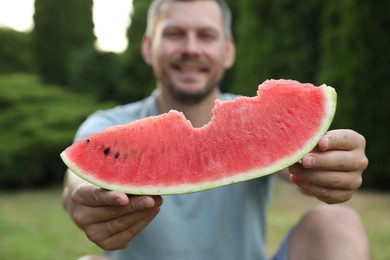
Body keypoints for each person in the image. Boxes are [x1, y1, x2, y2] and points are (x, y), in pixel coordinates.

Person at [62, 0, 371, 259]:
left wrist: (331, 161)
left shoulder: (255, 122)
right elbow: (75, 182)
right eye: (174, 34)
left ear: (229, 51)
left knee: (338, 223)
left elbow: (299, 158)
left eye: (206, 36)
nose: (191, 48)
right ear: (147, 47)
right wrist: (82, 199)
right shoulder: (107, 125)